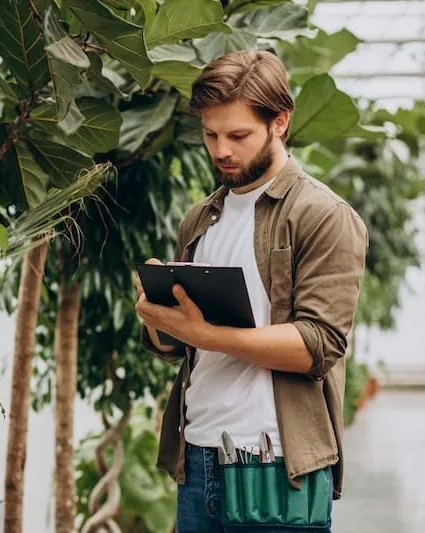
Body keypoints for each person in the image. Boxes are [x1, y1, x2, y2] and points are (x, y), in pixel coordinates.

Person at [133, 50, 368, 533]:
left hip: (278, 465)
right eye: (210, 134)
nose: (221, 150)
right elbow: (180, 348)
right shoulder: (200, 219)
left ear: (279, 122)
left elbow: (318, 346)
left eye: (238, 135)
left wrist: (206, 333)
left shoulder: (322, 215)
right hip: (197, 456)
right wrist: (157, 316)